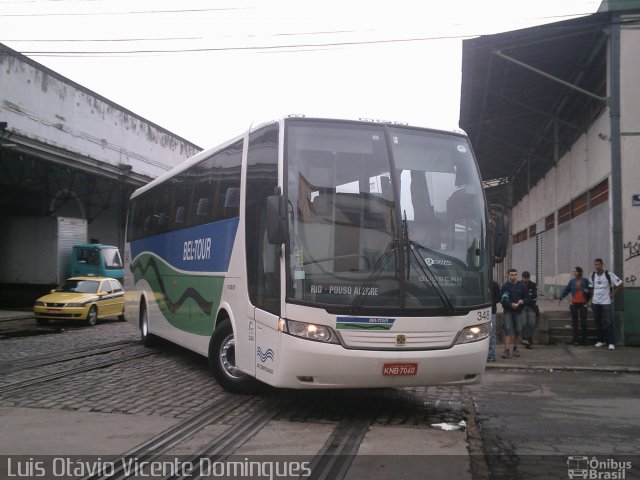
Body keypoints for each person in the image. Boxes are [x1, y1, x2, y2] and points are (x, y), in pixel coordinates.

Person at [589, 258, 623, 350]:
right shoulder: (592, 275)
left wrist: (613, 294)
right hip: (596, 302)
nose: (596, 266)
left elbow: (620, 284)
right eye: (595, 264)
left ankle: (611, 342)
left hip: (606, 302)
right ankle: (601, 341)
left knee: (608, 322)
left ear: (602, 265)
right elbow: (591, 287)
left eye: (598, 264)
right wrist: (591, 300)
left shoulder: (608, 274)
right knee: (598, 322)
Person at [500, 268, 529, 358]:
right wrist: (510, 304)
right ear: (508, 275)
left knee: (518, 329)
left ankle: (515, 348)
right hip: (508, 311)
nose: (513, 276)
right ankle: (506, 350)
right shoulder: (505, 286)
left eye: (515, 275)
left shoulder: (522, 286)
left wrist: (522, 301)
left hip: (518, 311)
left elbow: (527, 298)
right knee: (507, 329)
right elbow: (503, 300)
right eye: (512, 275)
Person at [558, 266, 590, 345]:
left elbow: (591, 290)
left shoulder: (585, 281)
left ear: (580, 272)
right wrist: (561, 297)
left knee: (583, 322)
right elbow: (567, 290)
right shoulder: (572, 281)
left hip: (583, 303)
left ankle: (584, 340)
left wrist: (587, 292)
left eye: (575, 271)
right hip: (574, 303)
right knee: (575, 322)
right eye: (573, 271)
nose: (574, 273)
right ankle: (575, 340)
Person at [521, 271, 538, 349]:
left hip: (531, 306)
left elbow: (534, 296)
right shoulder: (519, 285)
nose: (526, 280)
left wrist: (526, 299)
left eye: (527, 278)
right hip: (522, 306)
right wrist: (526, 299)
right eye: (525, 278)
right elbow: (519, 296)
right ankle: (526, 338)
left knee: (531, 323)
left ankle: (528, 337)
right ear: (522, 278)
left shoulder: (533, 285)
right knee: (524, 323)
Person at [487, 280, 501, 362]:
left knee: (491, 333)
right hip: (479, 310)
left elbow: (499, 297)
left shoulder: (494, 284)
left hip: (491, 311)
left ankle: (491, 354)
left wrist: (492, 302)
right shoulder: (478, 281)